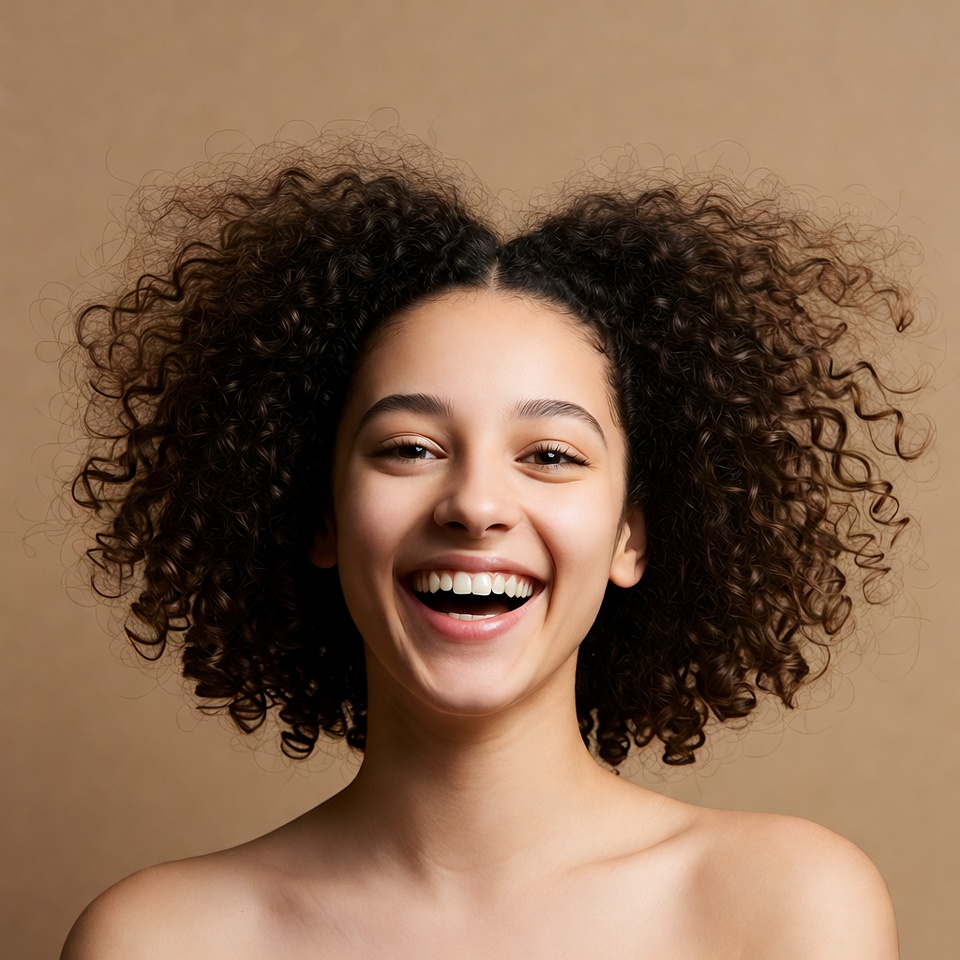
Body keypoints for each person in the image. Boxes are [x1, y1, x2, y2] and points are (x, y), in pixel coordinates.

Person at [60, 134, 921, 958]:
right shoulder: (159, 940)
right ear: (320, 516)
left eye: (550, 456)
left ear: (632, 536)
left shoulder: (783, 906)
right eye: (408, 449)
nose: (474, 504)